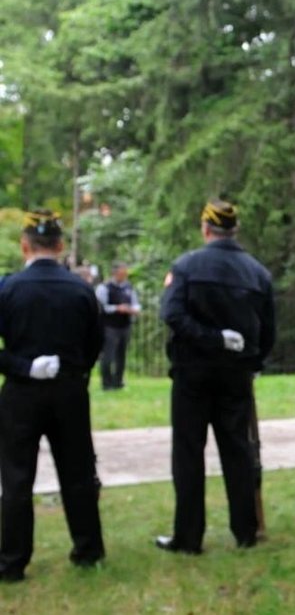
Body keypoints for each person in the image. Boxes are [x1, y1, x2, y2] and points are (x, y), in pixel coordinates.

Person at [155, 198, 275, 555]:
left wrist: (209, 338)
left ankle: (188, 537)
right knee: (237, 450)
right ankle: (245, 530)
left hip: (193, 372)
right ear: (234, 230)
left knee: (189, 453)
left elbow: (172, 314)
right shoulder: (257, 272)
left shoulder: (187, 266)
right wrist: (251, 360)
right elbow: (267, 331)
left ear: (206, 229)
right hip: (236, 373)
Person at [0, 210, 105, 581]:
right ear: (60, 246)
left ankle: (12, 562)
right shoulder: (82, 290)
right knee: (77, 472)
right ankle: (88, 549)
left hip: (21, 393)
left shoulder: (7, 288)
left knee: (16, 478)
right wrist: (74, 372)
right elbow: (97, 343)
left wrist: (22, 367)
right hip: (70, 391)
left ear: (24, 245)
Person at [95, 261, 141, 390]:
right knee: (108, 355)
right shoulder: (104, 287)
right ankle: (107, 382)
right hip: (110, 326)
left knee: (122, 355)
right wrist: (117, 308)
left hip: (125, 325)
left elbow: (135, 303)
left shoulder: (128, 287)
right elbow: (101, 307)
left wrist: (133, 309)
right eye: (122, 273)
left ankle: (118, 381)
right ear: (115, 273)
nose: (124, 275)